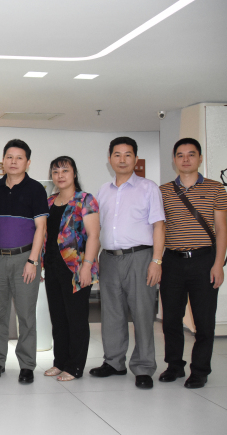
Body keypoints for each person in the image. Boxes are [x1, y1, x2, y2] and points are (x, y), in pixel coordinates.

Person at [91, 136, 165, 389]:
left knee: (142, 313)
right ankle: (114, 362)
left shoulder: (148, 188)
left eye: (128, 155)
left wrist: (157, 260)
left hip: (140, 257)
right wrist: (92, 260)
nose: (122, 160)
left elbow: (159, 226)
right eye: (117, 155)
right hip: (109, 259)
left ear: (136, 159)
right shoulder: (103, 190)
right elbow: (96, 229)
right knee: (111, 314)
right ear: (109, 159)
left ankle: (143, 367)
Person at [158, 138, 227, 389]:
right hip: (172, 261)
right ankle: (174, 366)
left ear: (200, 158)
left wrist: (218, 264)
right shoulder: (163, 191)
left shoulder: (216, 188)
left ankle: (200, 370)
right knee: (170, 319)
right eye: (180, 155)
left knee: (204, 321)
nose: (185, 159)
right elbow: (159, 228)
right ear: (174, 160)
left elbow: (222, 229)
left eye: (191, 154)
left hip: (204, 260)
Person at [0, 139, 48, 384]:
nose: (13, 162)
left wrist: (33, 261)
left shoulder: (36, 189)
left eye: (19, 157)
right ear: (3, 160)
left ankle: (27, 365)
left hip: (25, 258)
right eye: (9, 157)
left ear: (28, 162)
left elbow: (41, 227)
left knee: (26, 315)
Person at [41, 156, 100, 382]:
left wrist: (87, 267)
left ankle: (75, 366)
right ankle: (60, 361)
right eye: (56, 172)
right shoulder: (49, 201)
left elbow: (94, 236)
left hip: (76, 268)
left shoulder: (85, 200)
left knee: (76, 318)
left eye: (65, 170)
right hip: (53, 267)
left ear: (74, 173)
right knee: (58, 317)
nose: (60, 175)